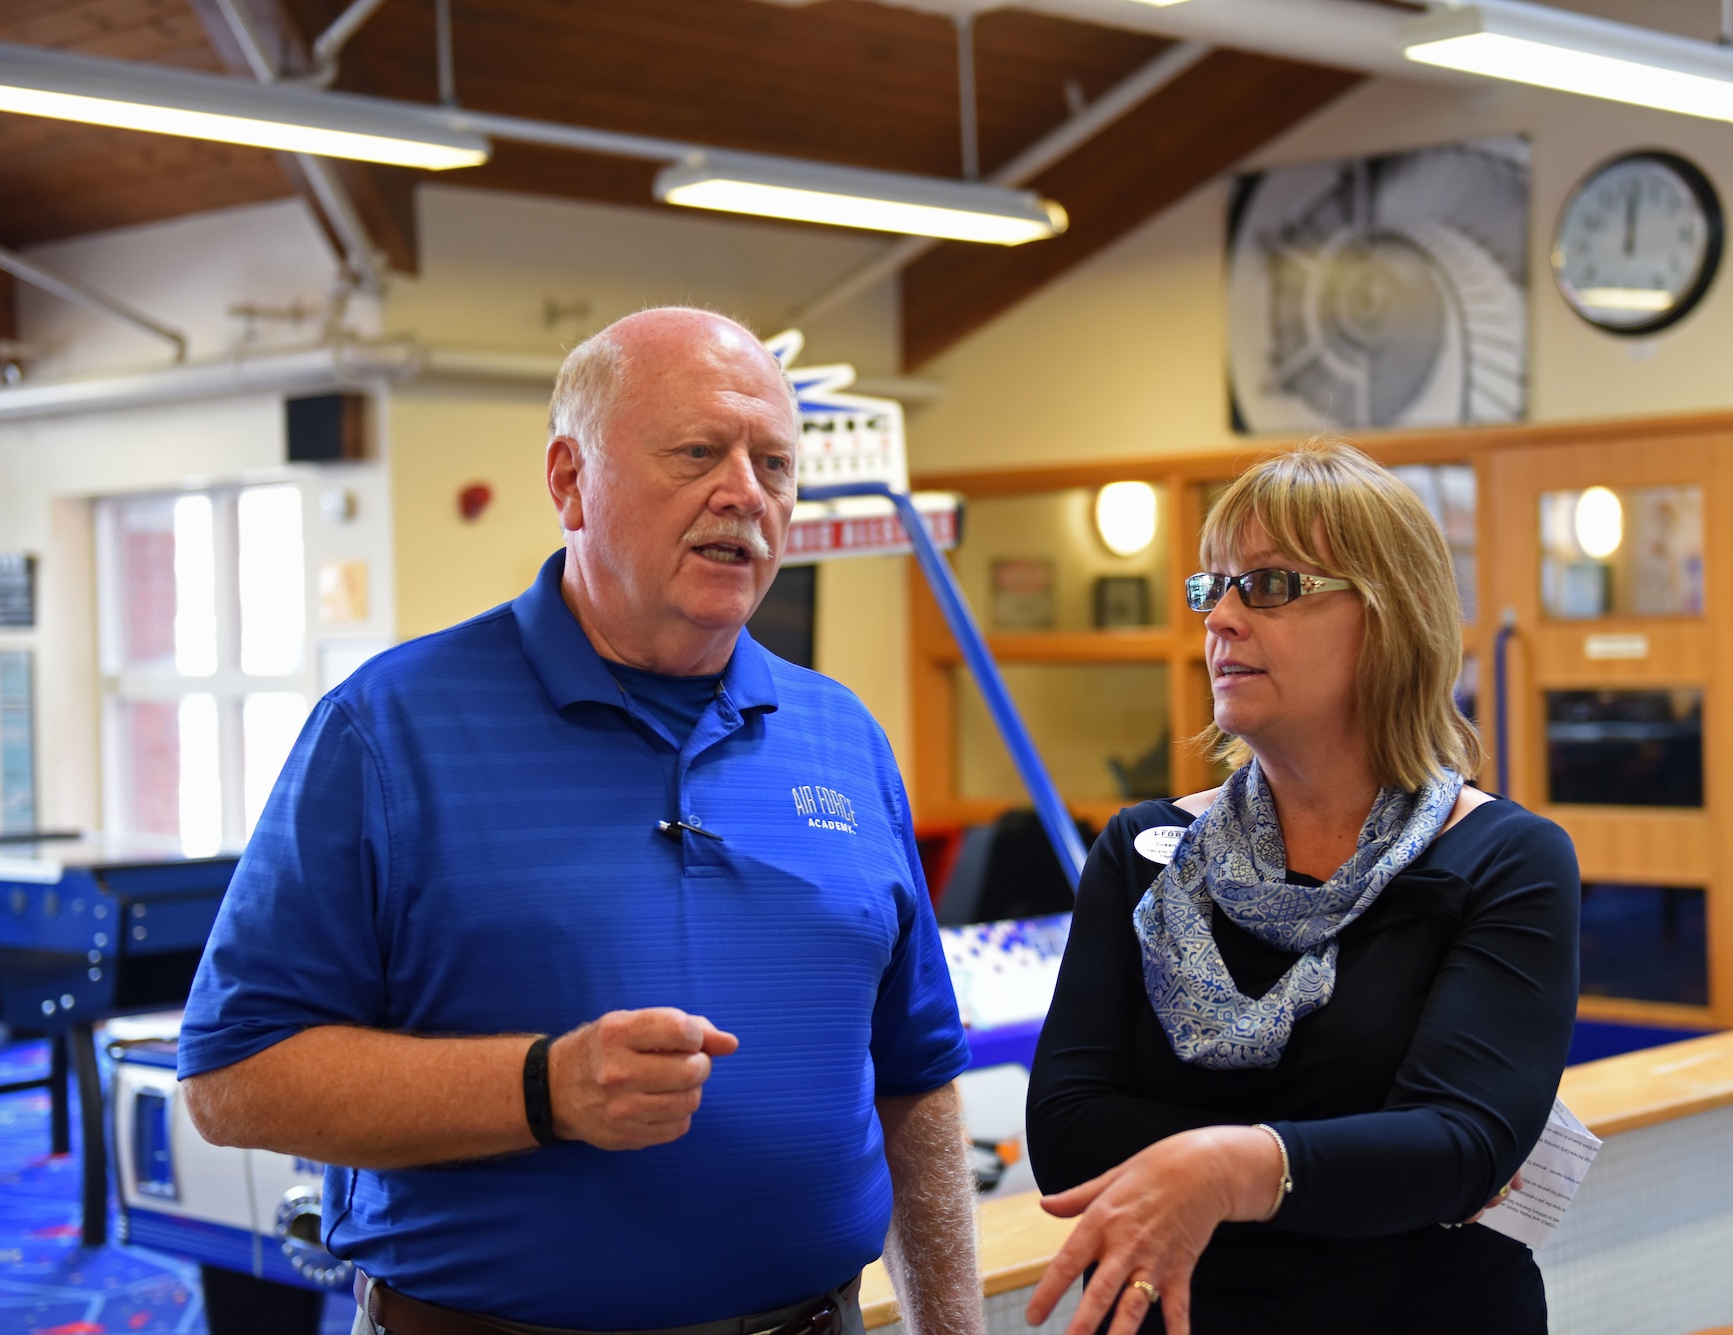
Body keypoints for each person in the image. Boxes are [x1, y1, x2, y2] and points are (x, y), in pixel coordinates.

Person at [177, 308, 985, 1335]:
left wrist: (952, 1328)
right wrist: (538, 1088)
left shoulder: (842, 735)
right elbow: (233, 1075)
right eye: (697, 452)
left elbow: (915, 1076)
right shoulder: (386, 731)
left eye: (774, 465)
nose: (744, 492)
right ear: (568, 481)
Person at [1023, 439, 1579, 1335]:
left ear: (1389, 617)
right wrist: (1354, 1159)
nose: (1221, 619)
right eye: (1213, 586)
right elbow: (1066, 1133)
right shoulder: (1146, 851)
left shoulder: (1507, 859)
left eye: (1271, 585)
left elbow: (1459, 1147)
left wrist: (1217, 1171)